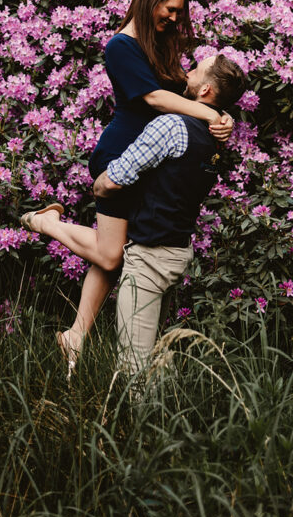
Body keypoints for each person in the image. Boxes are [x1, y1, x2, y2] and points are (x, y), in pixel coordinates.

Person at [20, 0, 234, 371]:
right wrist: (210, 112)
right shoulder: (121, 47)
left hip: (151, 162)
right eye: (170, 10)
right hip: (121, 157)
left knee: (112, 256)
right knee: (110, 253)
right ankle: (46, 222)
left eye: (179, 13)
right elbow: (154, 99)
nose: (174, 19)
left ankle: (76, 337)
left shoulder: (163, 46)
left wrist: (221, 117)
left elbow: (188, 91)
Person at [92, 53, 247, 374]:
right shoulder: (215, 137)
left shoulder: (171, 126)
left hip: (149, 257)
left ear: (205, 91)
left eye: (194, 71)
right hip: (177, 253)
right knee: (152, 356)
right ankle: (161, 411)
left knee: (133, 367)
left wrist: (101, 185)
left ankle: (138, 419)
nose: (186, 74)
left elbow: (117, 177)